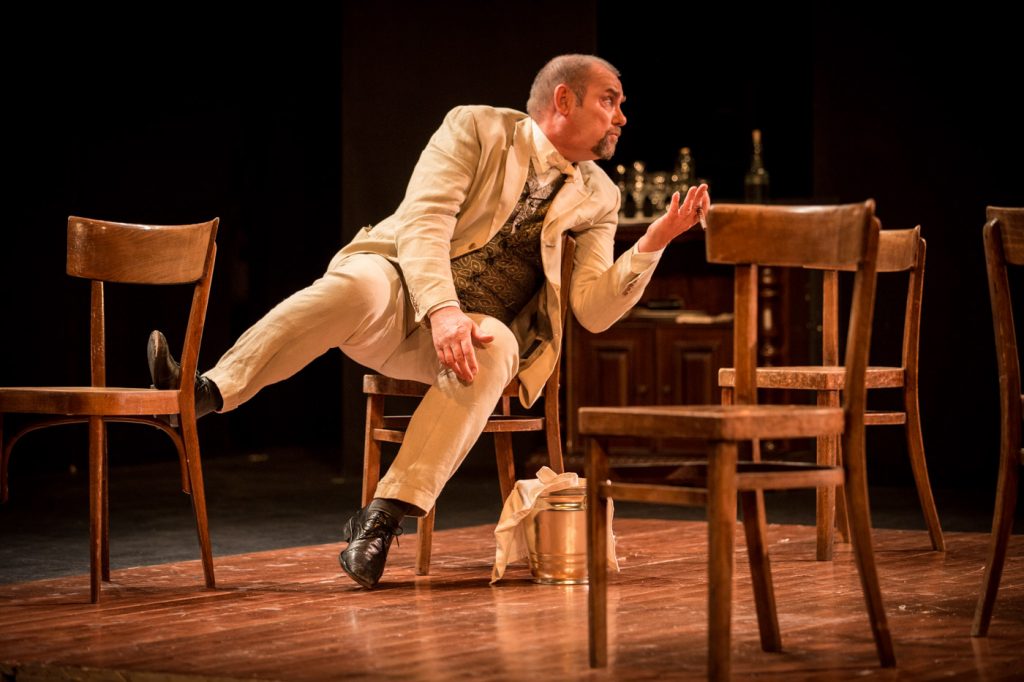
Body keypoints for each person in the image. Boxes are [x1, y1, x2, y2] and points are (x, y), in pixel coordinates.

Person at [148, 54, 710, 589]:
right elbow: (425, 221)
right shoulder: (477, 128)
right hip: (398, 291)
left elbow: (592, 310)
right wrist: (441, 310)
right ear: (564, 100)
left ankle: (380, 519)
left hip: (470, 335)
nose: (621, 116)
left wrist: (654, 241)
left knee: (499, 345)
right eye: (610, 101)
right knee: (356, 286)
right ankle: (205, 393)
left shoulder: (599, 194)